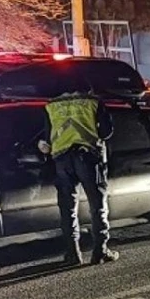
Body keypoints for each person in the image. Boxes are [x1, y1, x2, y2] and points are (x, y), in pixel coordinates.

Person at [38, 78, 117, 265]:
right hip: (88, 157)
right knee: (97, 205)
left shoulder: (51, 106)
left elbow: (46, 137)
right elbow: (107, 132)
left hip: (62, 159)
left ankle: (73, 253)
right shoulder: (93, 103)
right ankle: (100, 251)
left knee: (68, 208)